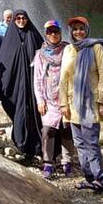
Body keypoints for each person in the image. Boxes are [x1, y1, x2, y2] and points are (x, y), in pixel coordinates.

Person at [59, 16, 103, 193]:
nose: (78, 32)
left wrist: (102, 101)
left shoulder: (96, 47)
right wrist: (62, 104)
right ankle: (89, 178)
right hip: (73, 104)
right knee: (79, 143)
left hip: (90, 103)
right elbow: (63, 79)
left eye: (81, 28)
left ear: (87, 29)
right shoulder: (68, 49)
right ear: (71, 32)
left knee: (91, 143)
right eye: (75, 29)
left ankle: (101, 179)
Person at [0, 9, 44, 161]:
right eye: (17, 18)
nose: (20, 20)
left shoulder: (34, 35)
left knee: (34, 113)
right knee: (20, 112)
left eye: (23, 17)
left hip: (33, 84)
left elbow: (44, 55)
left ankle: (38, 146)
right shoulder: (9, 38)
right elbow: (4, 61)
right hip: (17, 84)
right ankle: (21, 144)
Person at [33, 20, 74, 179]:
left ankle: (67, 161)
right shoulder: (40, 53)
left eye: (56, 31)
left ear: (60, 33)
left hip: (67, 96)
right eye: (50, 32)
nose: (53, 34)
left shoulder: (68, 49)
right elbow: (37, 78)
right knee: (48, 130)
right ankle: (48, 163)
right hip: (48, 98)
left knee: (67, 130)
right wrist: (40, 100)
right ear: (46, 34)